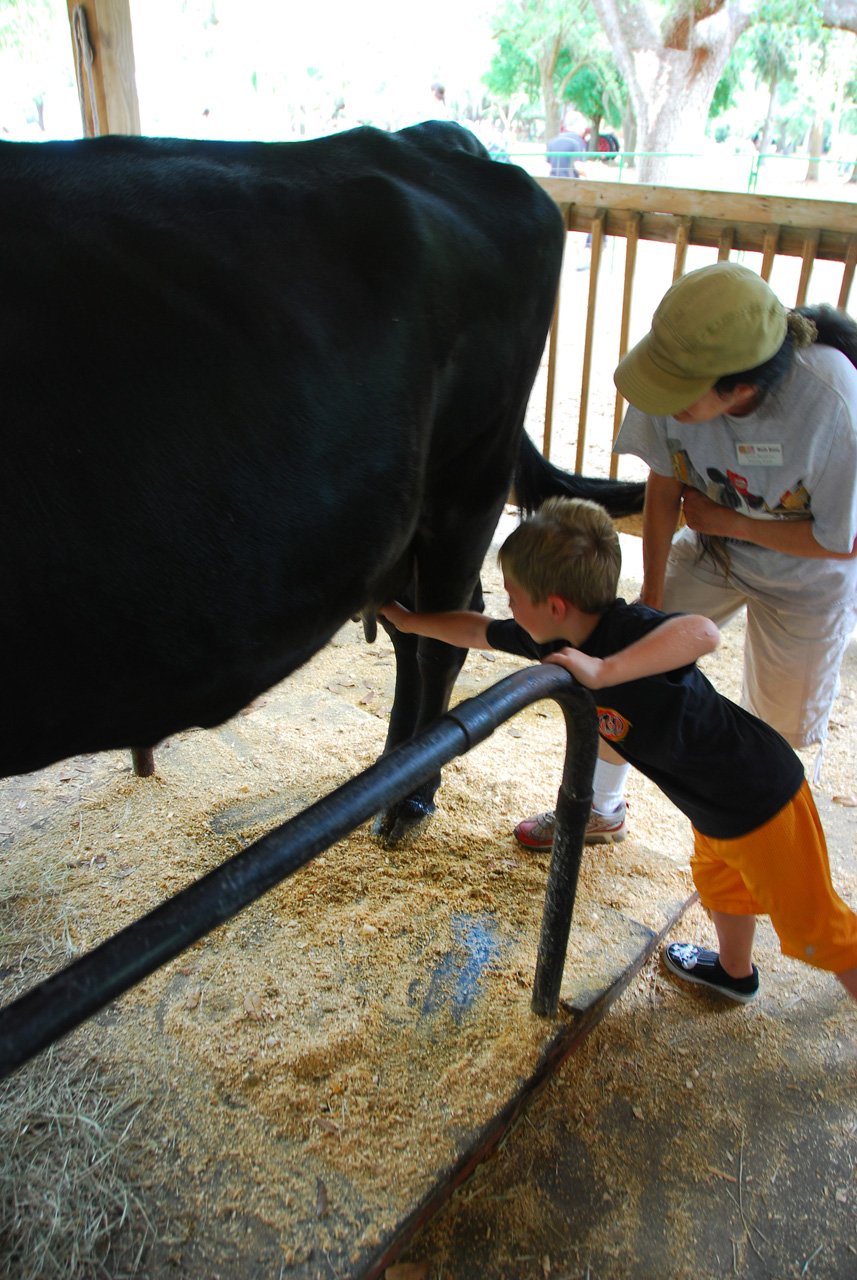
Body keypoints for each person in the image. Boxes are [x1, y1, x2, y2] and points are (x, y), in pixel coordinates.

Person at [380, 497, 857, 1004]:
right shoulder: (549, 637)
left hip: (760, 798)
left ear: (555, 604)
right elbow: (477, 629)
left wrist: (605, 671)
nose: (508, 605)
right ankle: (734, 973)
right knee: (721, 883)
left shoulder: (626, 629)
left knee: (816, 928)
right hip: (709, 803)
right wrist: (410, 622)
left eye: (514, 596)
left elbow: (703, 631)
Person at [516, 261, 857, 852]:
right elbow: (664, 484)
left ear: (741, 389)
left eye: (680, 397)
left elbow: (840, 541)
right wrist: (649, 597)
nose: (662, 402)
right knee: (616, 657)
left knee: (782, 723)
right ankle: (599, 806)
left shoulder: (833, 402)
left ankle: (767, 836)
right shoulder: (673, 376)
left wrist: (727, 518)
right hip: (712, 550)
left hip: (809, 574)